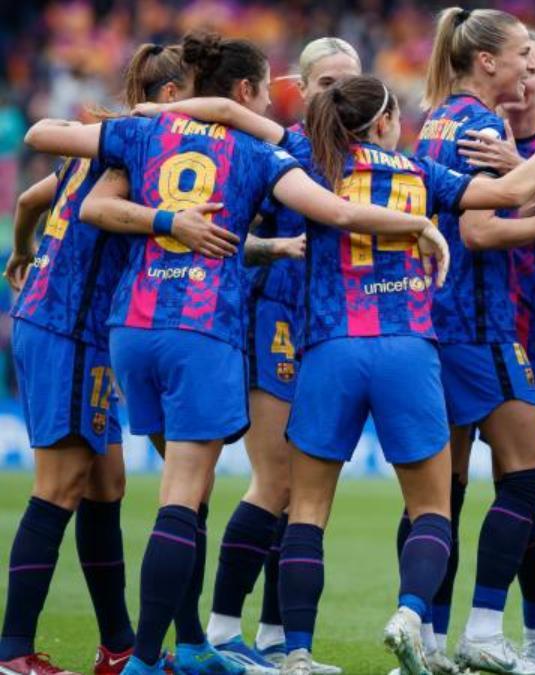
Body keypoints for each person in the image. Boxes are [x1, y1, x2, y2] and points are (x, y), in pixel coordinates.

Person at [24, 30, 448, 675]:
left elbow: (48, 147)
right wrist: (418, 224)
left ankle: (191, 641)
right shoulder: (264, 151)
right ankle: (152, 656)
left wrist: (146, 142)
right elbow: (335, 212)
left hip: (131, 326)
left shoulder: (141, 136)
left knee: (175, 493)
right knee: (186, 497)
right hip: (205, 327)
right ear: (259, 91)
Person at [0, 43, 200, 675]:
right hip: (66, 326)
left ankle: (117, 648)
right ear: (171, 97)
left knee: (107, 482)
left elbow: (33, 199)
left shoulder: (107, 144)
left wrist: (21, 252)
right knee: (59, 487)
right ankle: (12, 652)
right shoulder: (145, 148)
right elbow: (91, 207)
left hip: (70, 325)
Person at [414, 9, 535, 675]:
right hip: (481, 322)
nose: (524, 65)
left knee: (444, 492)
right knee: (528, 474)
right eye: (519, 53)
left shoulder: (436, 117)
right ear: (486, 61)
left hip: (435, 318)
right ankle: (485, 627)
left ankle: (426, 635)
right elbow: (481, 231)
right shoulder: (483, 123)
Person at [201, 36, 360, 674]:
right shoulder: (276, 150)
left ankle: (271, 638)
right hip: (273, 319)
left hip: (328, 328)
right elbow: (223, 235)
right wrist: (275, 251)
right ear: (301, 86)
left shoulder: (366, 157)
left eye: (349, 85)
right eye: (327, 85)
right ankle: (219, 628)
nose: (338, 97)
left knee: (304, 495)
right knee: (277, 481)